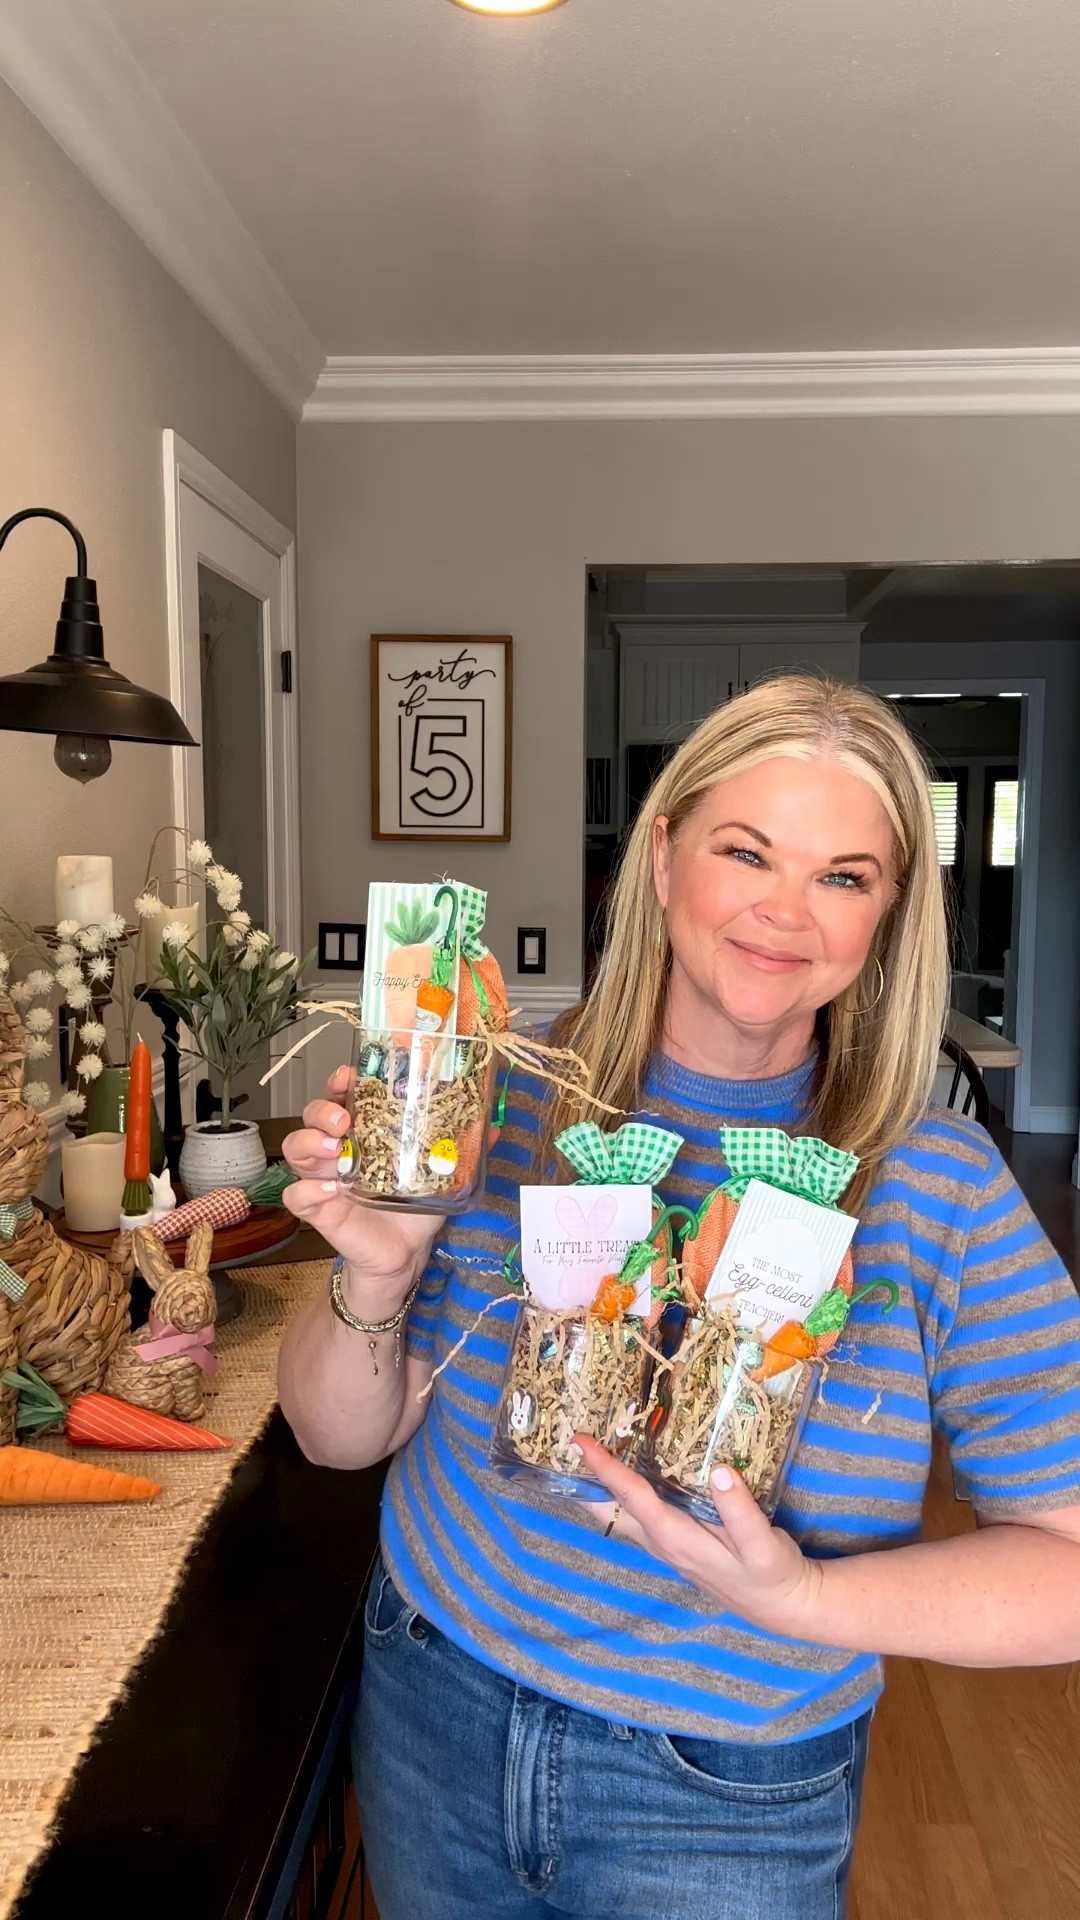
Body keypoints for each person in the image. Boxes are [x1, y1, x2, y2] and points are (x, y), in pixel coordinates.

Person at [278, 675, 1080, 1920]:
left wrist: (805, 1598)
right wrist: (376, 1267)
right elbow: (338, 1438)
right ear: (662, 860)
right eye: (745, 851)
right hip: (437, 1684)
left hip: (726, 1791)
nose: (784, 911)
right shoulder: (500, 1099)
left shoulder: (940, 1187)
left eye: (844, 875)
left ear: (887, 915)